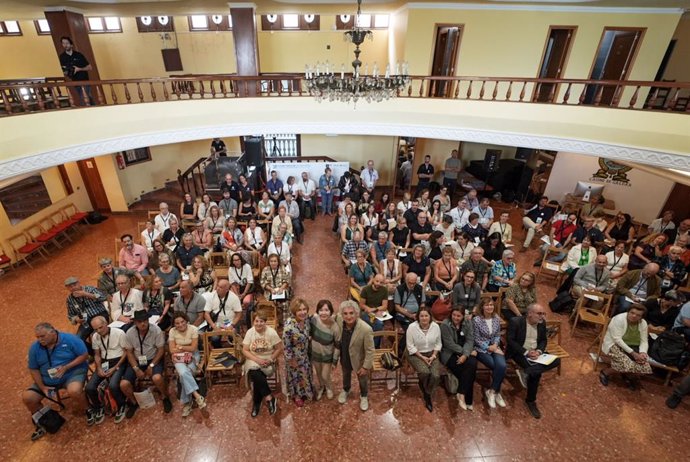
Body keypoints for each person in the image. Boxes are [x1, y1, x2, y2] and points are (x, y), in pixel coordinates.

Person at [23, 322, 89, 440]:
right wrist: (42, 387)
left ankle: (88, 410)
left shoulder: (70, 339)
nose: (40, 340)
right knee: (28, 397)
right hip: (47, 380)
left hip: (71, 373)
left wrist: (66, 367)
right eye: (37, 337)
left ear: (53, 332)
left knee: (74, 391)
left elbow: (84, 355)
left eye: (42, 336)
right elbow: (33, 369)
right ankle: (45, 421)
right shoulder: (34, 348)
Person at [506, 303, 561, 419]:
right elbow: (511, 341)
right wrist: (526, 352)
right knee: (536, 374)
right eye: (539, 313)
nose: (542, 316)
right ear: (530, 313)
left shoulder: (541, 324)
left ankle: (527, 371)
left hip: (536, 353)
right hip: (520, 353)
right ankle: (531, 401)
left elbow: (543, 341)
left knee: (557, 361)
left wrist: (539, 351)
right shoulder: (516, 322)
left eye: (543, 313)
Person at [119, 310, 172, 418]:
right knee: (123, 384)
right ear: (135, 323)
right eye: (139, 321)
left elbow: (161, 350)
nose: (143, 323)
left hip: (153, 358)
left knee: (157, 378)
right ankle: (134, 403)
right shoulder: (130, 332)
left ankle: (165, 397)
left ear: (148, 320)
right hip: (137, 360)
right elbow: (129, 352)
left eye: (145, 321)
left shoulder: (156, 330)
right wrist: (136, 368)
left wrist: (151, 365)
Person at [85, 316, 128, 424]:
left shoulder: (119, 333)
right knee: (89, 387)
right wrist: (98, 368)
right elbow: (97, 354)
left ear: (106, 323)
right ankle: (98, 407)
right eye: (96, 329)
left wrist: (114, 368)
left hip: (119, 361)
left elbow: (126, 353)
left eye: (101, 327)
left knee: (113, 385)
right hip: (104, 362)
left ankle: (122, 405)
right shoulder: (95, 336)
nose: (99, 331)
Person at [599, 305, 652, 390]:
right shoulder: (619, 319)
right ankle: (605, 372)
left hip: (634, 346)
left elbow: (644, 340)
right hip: (615, 344)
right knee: (625, 364)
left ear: (641, 317)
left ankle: (628, 375)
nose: (634, 316)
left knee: (645, 366)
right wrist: (633, 353)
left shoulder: (643, 323)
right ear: (628, 312)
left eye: (638, 315)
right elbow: (617, 339)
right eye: (632, 313)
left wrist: (643, 352)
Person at [336, 300, 375, 412]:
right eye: (345, 313)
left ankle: (364, 396)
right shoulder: (339, 320)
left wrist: (365, 367)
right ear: (342, 315)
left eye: (351, 313)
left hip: (359, 361)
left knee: (362, 380)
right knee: (346, 375)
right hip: (345, 357)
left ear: (357, 313)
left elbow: (370, 350)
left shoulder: (366, 329)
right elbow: (329, 317)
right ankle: (346, 389)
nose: (348, 316)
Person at [168, 312, 207, 417]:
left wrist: (180, 347)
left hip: (193, 356)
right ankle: (197, 396)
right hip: (178, 357)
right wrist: (185, 347)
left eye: (182, 322)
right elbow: (172, 350)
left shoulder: (193, 329)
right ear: (174, 324)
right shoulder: (172, 331)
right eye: (177, 323)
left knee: (183, 375)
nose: (180, 325)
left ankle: (187, 403)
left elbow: (193, 348)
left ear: (186, 321)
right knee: (185, 372)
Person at [243, 312, 282, 417]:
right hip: (253, 358)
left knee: (257, 377)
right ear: (253, 322)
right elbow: (245, 350)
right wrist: (257, 360)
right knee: (254, 372)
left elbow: (279, 348)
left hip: (268, 358)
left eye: (261, 321)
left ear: (265, 322)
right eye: (256, 321)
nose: (259, 324)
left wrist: (270, 359)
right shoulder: (250, 332)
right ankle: (269, 398)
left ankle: (256, 403)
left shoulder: (271, 332)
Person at [472, 297, 507, 409]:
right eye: (487, 305)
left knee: (502, 365)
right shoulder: (476, 320)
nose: (489, 307)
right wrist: (488, 347)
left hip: (494, 347)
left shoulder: (496, 318)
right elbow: (476, 338)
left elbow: (497, 335)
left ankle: (492, 391)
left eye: (491, 305)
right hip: (481, 349)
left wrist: (495, 345)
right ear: (482, 307)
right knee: (495, 366)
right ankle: (497, 391)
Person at [440, 307, 477, 410]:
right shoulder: (445, 324)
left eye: (458, 316)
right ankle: (468, 400)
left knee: (472, 365)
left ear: (463, 316)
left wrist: (465, 355)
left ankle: (461, 394)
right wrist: (465, 353)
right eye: (454, 315)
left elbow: (470, 340)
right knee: (467, 373)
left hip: (466, 351)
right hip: (449, 353)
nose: (455, 318)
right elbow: (449, 344)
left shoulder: (468, 323)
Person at [406, 307, 442, 412]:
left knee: (435, 376)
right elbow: (410, 346)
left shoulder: (435, 327)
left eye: (426, 315)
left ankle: (426, 391)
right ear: (418, 317)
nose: (424, 318)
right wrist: (422, 357)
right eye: (421, 316)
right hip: (415, 353)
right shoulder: (411, 327)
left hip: (432, 353)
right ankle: (428, 397)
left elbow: (438, 343)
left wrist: (433, 356)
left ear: (430, 317)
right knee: (424, 372)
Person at [282, 299, 315, 407]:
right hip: (294, 358)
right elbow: (286, 346)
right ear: (294, 311)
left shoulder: (305, 321)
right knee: (295, 376)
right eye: (299, 310)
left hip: (304, 355)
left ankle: (305, 392)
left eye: (304, 309)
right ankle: (296, 395)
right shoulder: (289, 327)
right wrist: (291, 360)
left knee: (305, 374)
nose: (303, 312)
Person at [64, 276, 109, 345]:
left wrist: (86, 294)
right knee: (78, 340)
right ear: (67, 288)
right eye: (70, 287)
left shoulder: (90, 289)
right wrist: (77, 319)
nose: (73, 288)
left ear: (79, 283)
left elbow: (103, 297)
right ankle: (93, 352)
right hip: (86, 321)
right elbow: (71, 315)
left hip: (100, 314)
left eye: (74, 285)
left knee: (98, 333)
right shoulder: (70, 299)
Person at [310, 300, 340, 400]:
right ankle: (322, 387)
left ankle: (329, 387)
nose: (323, 313)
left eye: (326, 310)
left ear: (331, 311)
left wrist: (335, 361)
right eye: (321, 310)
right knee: (318, 374)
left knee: (325, 375)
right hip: (315, 353)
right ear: (317, 311)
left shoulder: (335, 327)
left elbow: (337, 346)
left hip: (327, 355)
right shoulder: (314, 319)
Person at [59, 36, 93, 105]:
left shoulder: (78, 55)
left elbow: (90, 67)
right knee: (83, 98)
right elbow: (64, 70)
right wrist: (67, 72)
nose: (65, 45)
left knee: (87, 97)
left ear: (71, 45)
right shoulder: (62, 57)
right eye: (63, 43)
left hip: (85, 80)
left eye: (67, 43)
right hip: (75, 81)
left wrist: (79, 69)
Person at [359, 274, 388, 344]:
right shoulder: (365, 289)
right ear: (373, 280)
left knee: (378, 324)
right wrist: (369, 309)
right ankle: (374, 345)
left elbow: (384, 306)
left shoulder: (384, 290)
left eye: (381, 282)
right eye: (377, 281)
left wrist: (374, 309)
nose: (378, 284)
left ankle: (374, 344)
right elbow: (361, 305)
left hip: (377, 312)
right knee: (378, 324)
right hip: (366, 312)